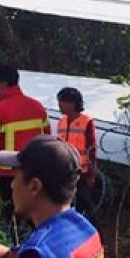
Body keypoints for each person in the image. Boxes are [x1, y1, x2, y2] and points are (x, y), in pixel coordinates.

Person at [0, 65, 51, 224]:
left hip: (9, 173)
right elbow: (47, 137)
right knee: (36, 212)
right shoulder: (37, 106)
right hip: (36, 169)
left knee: (12, 213)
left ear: (3, 83)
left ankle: (14, 244)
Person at [56, 87, 97, 216]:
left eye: (62, 102)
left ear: (72, 103)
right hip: (65, 169)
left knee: (84, 204)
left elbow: (91, 149)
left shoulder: (86, 121)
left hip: (82, 171)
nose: (59, 105)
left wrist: (91, 173)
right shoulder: (61, 122)